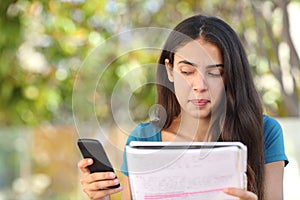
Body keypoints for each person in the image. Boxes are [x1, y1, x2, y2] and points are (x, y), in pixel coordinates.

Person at [78, 14, 288, 200]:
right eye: (187, 71)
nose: (199, 86)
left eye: (215, 73)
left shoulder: (265, 132)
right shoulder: (143, 140)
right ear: (169, 70)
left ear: (230, 75)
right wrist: (101, 198)